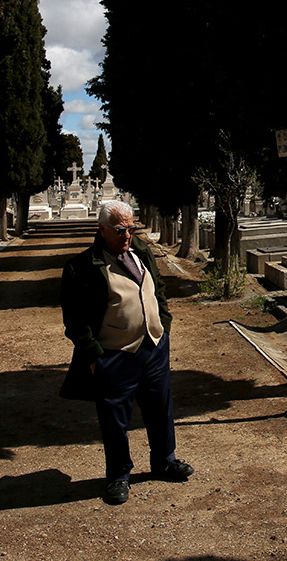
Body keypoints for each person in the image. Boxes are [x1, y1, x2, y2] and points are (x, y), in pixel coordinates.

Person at [60, 200, 193, 505]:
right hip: (115, 354)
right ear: (102, 229)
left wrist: (164, 325)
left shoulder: (142, 252)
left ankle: (164, 460)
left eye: (131, 228)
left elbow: (157, 290)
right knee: (115, 418)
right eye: (120, 230)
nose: (127, 235)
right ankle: (119, 475)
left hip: (154, 347)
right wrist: (94, 356)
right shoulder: (81, 267)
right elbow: (75, 319)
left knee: (161, 408)